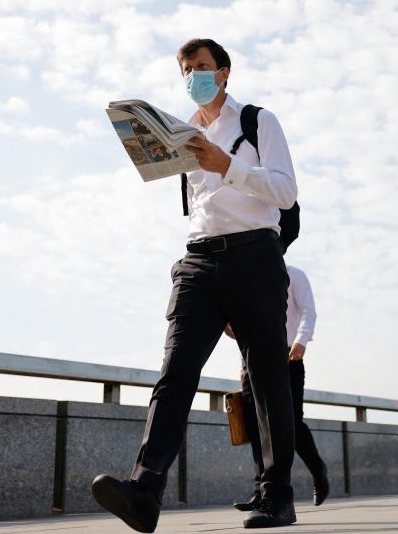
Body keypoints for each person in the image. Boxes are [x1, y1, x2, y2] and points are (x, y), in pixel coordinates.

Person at [91, 38, 299, 531]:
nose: (193, 76)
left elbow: (286, 192)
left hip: (253, 256)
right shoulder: (182, 130)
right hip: (198, 261)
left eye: (201, 67)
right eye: (186, 69)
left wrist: (224, 164)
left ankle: (277, 495)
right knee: (175, 371)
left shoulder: (256, 121)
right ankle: (144, 490)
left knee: (267, 380)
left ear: (224, 72)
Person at [227, 264, 330, 511]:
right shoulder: (249, 278)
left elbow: (308, 310)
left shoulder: (294, 274)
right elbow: (244, 324)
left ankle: (319, 471)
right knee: (256, 427)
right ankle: (261, 492)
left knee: (291, 422)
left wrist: (301, 341)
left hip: (288, 355)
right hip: (253, 361)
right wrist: (242, 361)